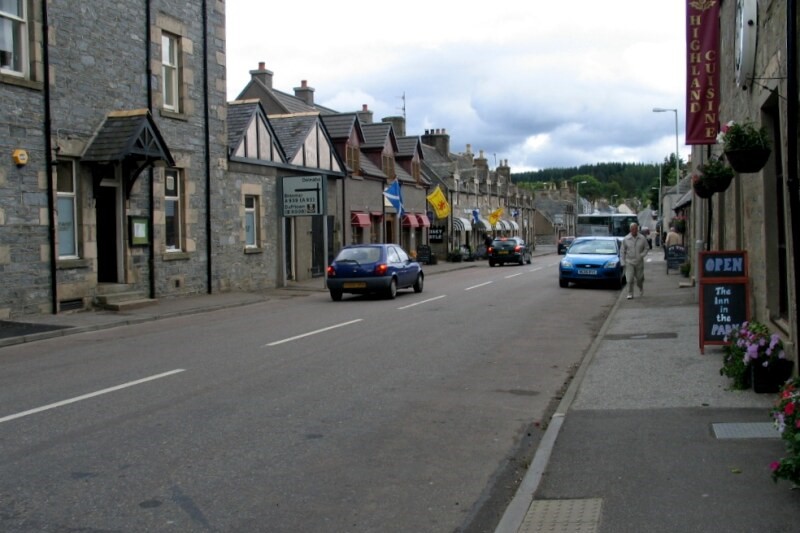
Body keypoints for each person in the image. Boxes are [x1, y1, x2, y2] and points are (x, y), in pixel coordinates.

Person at [620, 222, 649, 299]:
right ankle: (630, 293)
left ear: (637, 229)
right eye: (632, 229)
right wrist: (622, 262)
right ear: (630, 229)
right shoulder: (626, 239)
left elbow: (646, 247)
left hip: (639, 262)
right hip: (629, 261)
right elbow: (622, 251)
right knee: (629, 279)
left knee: (639, 278)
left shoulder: (642, 238)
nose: (634, 230)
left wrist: (642, 255)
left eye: (635, 229)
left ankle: (640, 287)